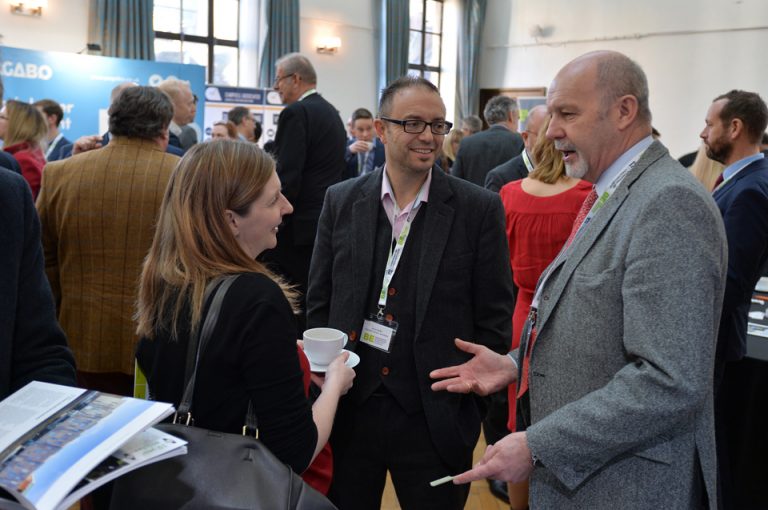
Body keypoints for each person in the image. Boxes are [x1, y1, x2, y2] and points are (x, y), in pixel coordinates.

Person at [430, 50, 726, 509]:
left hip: (626, 488)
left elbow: (669, 380)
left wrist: (537, 444)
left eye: (568, 113)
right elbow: (593, 326)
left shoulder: (667, 203)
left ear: (624, 111)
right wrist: (514, 363)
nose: (552, 132)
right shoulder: (613, 191)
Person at [307, 76, 514, 510]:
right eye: (414, 124)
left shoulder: (477, 209)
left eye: (438, 125)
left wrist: (470, 406)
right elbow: (320, 301)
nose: (429, 137)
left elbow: (494, 316)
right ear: (381, 129)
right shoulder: (341, 201)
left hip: (435, 417)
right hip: (350, 411)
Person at [135, 139, 354, 477]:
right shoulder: (258, 299)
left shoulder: (166, 282)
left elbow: (215, 363)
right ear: (232, 220)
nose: (288, 207)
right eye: (273, 199)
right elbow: (297, 451)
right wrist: (336, 383)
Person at [37, 86, 180, 397]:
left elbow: (41, 261)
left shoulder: (58, 173)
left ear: (112, 122)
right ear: (163, 128)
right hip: (161, 344)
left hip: (76, 339)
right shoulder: (183, 176)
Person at [498, 115, 591, 509]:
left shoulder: (510, 193)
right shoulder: (586, 194)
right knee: (566, 425)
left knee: (522, 427)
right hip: (571, 319)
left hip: (522, 318)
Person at [701, 89, 768, 509]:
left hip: (732, 346)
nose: (702, 132)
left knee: (730, 454)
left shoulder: (750, 190)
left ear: (735, 127)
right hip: (737, 340)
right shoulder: (741, 181)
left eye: (710, 124)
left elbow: (731, 281)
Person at [264, 53, 346, 330]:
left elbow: (288, 176)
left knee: (289, 303)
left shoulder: (296, 113)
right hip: (323, 222)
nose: (276, 87)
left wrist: (271, 218)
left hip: (295, 229)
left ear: (295, 79)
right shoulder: (332, 113)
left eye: (278, 80)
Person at [451, 95, 524, 186]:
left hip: (472, 199)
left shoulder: (467, 143)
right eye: (518, 118)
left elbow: (455, 181)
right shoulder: (521, 142)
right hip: (506, 199)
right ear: (511, 115)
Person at [485, 105, 548, 192]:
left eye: (557, 137)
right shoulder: (500, 178)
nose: (554, 144)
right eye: (545, 137)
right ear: (526, 138)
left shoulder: (565, 171)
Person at [0, 100, 48, 199]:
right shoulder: (28, 154)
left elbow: (22, 204)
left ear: (16, 125)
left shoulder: (23, 160)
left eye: (1, 117)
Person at [342, 107, 385, 180]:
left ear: (374, 127)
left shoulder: (384, 147)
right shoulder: (345, 146)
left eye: (369, 128)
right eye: (360, 129)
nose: (365, 134)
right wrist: (349, 151)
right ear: (353, 130)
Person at [157, 78, 197, 152]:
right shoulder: (167, 140)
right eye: (189, 104)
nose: (192, 109)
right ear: (172, 105)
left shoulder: (173, 134)